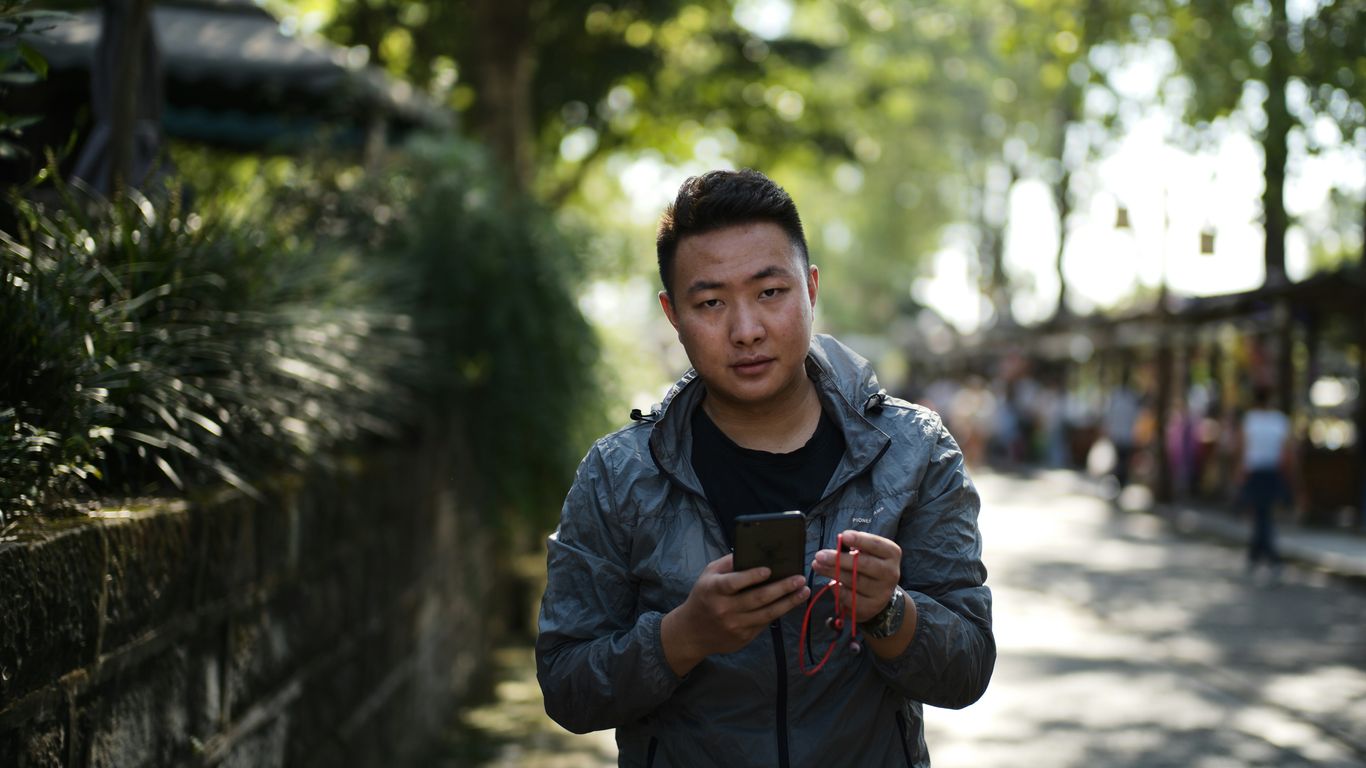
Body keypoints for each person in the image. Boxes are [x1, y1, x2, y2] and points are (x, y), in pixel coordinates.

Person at [535, 169, 995, 766]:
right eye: (711, 302)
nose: (746, 330)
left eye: (770, 293)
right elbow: (567, 686)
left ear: (811, 289)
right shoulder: (621, 475)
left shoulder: (913, 450)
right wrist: (685, 635)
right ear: (673, 314)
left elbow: (968, 669)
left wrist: (890, 611)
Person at [1234, 386, 1293, 578]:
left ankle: (1269, 558)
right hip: (1272, 472)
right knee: (1263, 514)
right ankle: (1256, 556)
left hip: (1255, 472)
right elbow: (1285, 452)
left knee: (1261, 515)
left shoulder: (1250, 420)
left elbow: (1242, 449)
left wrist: (1239, 472)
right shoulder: (1279, 421)